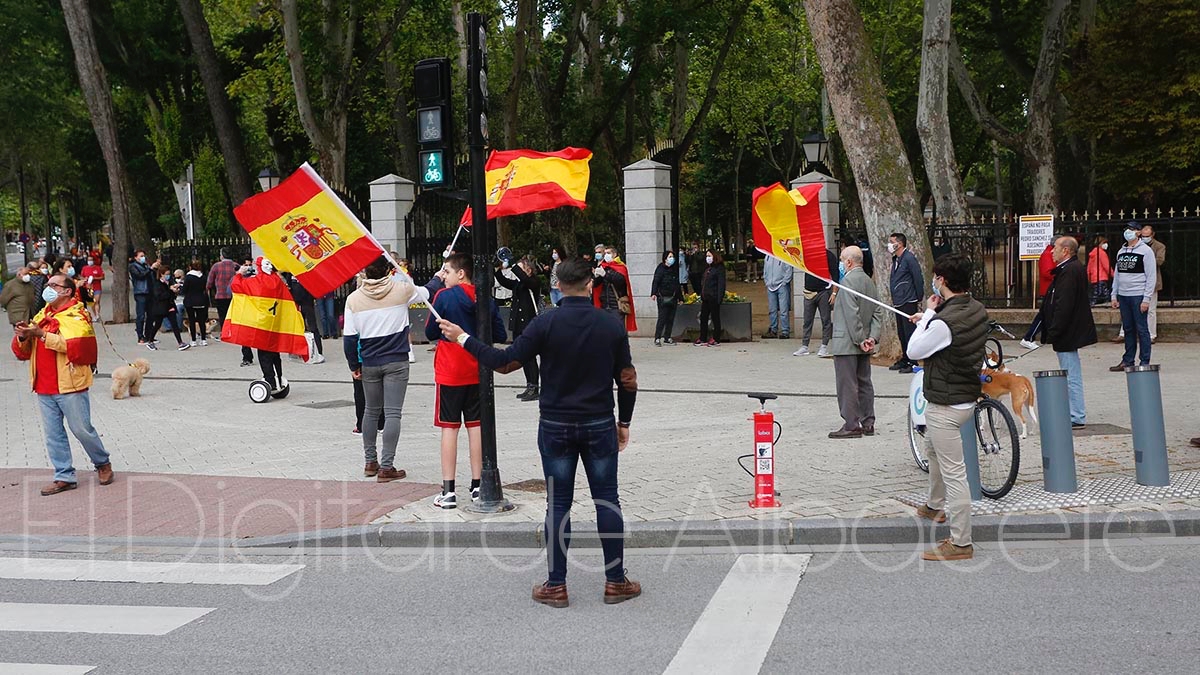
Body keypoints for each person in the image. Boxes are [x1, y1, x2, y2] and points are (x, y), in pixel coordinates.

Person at [436, 257, 640, 608]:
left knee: (558, 504)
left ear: (557, 286)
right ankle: (615, 580)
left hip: (556, 424)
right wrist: (624, 422)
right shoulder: (610, 325)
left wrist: (463, 337)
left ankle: (557, 585)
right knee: (607, 499)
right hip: (599, 422)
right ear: (590, 284)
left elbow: (505, 363)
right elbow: (627, 379)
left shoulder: (545, 323)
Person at [905, 252, 989, 562]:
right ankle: (934, 505)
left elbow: (914, 350)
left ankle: (961, 541)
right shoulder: (976, 309)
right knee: (932, 449)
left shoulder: (943, 322)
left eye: (935, 278)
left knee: (955, 474)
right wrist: (931, 319)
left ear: (941, 281)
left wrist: (927, 315)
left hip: (946, 403)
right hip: (966, 395)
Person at [343, 255, 444, 482]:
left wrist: (353, 365)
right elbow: (429, 290)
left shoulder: (353, 299)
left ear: (365, 273)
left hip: (369, 361)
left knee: (370, 411)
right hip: (396, 361)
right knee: (392, 413)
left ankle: (370, 461)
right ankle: (387, 466)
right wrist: (439, 275)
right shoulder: (402, 290)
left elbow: (349, 339)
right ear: (389, 270)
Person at [12, 273, 113, 496]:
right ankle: (64, 476)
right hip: (44, 384)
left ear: (67, 291)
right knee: (53, 434)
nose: (48, 288)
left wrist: (40, 334)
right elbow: (25, 351)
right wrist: (23, 336)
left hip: (70, 383)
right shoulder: (42, 314)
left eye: (53, 285)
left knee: (82, 429)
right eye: (48, 284)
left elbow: (75, 346)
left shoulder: (78, 315)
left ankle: (102, 462)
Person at [424, 253, 506, 508]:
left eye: (447, 271)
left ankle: (448, 491)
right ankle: (478, 485)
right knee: (475, 427)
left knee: (449, 427)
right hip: (478, 368)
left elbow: (429, 332)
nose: (443, 275)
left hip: (450, 370)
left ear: (461, 273)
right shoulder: (486, 299)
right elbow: (500, 333)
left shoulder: (444, 297)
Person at [1040, 236, 1096, 428]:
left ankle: (1076, 415)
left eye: (1054, 248)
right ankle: (1074, 412)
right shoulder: (1067, 269)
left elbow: (1064, 304)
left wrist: (1054, 330)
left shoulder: (1070, 270)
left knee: (1071, 374)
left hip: (1068, 331)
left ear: (1065, 251)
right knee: (1070, 371)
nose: (1051, 251)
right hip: (1067, 331)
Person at [828, 246, 883, 439]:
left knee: (847, 384)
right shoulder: (869, 282)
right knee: (864, 382)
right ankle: (868, 422)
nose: (841, 263)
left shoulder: (847, 282)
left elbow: (852, 315)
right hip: (864, 340)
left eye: (842, 260)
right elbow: (877, 312)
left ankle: (851, 424)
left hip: (848, 342)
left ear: (849, 262)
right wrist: (872, 337)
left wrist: (860, 340)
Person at [1109, 222, 1156, 371]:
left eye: (1131, 229)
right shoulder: (1121, 251)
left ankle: (1144, 361)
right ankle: (1128, 360)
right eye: (1126, 229)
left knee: (1142, 329)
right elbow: (1117, 274)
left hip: (1138, 295)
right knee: (1128, 329)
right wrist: (1114, 295)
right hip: (1123, 295)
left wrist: (1146, 298)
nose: (1128, 232)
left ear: (1138, 232)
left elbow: (1151, 276)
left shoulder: (1146, 251)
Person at [495, 255, 543, 400]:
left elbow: (525, 280)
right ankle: (529, 385)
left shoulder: (533, 281)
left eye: (521, 268)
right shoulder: (519, 284)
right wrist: (497, 270)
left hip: (528, 323)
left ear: (528, 270)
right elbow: (505, 282)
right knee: (522, 357)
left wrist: (514, 265)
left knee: (530, 357)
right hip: (518, 324)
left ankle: (534, 387)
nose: (517, 271)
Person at [1117, 224, 1166, 343]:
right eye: (1143, 235)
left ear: (1152, 235)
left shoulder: (1158, 246)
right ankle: (1123, 333)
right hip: (1130, 287)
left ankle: (1151, 335)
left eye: (1147, 235)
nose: (1145, 237)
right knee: (1128, 311)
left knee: (1150, 309)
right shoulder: (1125, 249)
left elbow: (1160, 261)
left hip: (1150, 281)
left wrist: (1144, 259)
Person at [887, 232, 923, 373]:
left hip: (908, 300)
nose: (889, 245)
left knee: (909, 332)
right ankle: (905, 357)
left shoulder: (909, 258)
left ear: (899, 243)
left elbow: (917, 278)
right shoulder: (896, 259)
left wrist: (918, 297)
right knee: (901, 332)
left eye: (892, 241)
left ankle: (912, 361)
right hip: (899, 301)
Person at [793, 248, 838, 357]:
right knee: (807, 320)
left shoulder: (828, 255)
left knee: (825, 320)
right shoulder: (808, 254)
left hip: (823, 292)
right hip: (809, 292)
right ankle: (804, 345)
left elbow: (835, 275)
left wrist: (834, 293)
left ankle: (824, 346)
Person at [144, 264, 189, 351]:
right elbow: (159, 296)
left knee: (174, 324)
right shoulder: (157, 284)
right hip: (160, 308)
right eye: (166, 274)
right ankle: (150, 340)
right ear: (161, 274)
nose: (168, 276)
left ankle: (180, 342)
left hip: (170, 305)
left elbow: (172, 294)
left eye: (169, 274)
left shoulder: (170, 282)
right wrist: (170, 291)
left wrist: (175, 290)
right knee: (157, 324)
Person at [593, 246, 637, 333]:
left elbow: (619, 281)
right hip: (605, 304)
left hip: (617, 304)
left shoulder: (621, 267)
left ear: (615, 254)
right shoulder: (604, 266)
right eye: (605, 253)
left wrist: (605, 274)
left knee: (618, 330)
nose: (606, 255)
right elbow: (596, 285)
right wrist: (596, 277)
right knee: (606, 331)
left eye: (608, 253)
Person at [286, 272, 325, 364]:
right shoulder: (289, 274)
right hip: (296, 304)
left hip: (307, 303)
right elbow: (289, 287)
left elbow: (313, 285)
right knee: (298, 328)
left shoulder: (307, 272)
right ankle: (300, 351)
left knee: (313, 327)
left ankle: (318, 351)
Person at [650, 249, 683, 345]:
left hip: (673, 297)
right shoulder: (660, 269)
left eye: (672, 257)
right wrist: (653, 293)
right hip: (662, 297)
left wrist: (680, 298)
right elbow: (656, 281)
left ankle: (667, 337)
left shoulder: (673, 270)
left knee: (670, 318)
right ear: (665, 258)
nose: (672, 259)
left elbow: (677, 284)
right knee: (662, 318)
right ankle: (657, 337)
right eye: (670, 257)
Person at [695, 249, 726, 346]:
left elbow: (721, 284)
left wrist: (719, 298)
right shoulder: (708, 268)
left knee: (715, 318)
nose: (707, 258)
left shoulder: (719, 268)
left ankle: (716, 338)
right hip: (706, 297)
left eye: (709, 256)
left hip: (714, 297)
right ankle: (702, 337)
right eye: (707, 256)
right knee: (703, 318)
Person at [207, 249, 238, 342]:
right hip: (234, 295)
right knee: (233, 314)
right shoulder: (236, 266)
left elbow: (210, 281)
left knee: (222, 314)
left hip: (221, 295)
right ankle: (233, 332)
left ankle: (224, 332)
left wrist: (208, 288)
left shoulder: (216, 266)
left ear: (222, 256)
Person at [762, 255, 792, 339]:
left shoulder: (784, 256)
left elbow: (789, 270)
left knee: (783, 310)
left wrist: (784, 282)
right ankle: (773, 330)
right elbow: (765, 270)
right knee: (772, 310)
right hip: (770, 286)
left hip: (782, 286)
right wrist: (767, 281)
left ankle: (785, 331)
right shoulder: (767, 256)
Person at [181, 260, 209, 346]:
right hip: (201, 300)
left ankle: (193, 340)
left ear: (190, 267)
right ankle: (203, 339)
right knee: (201, 320)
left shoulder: (188, 277)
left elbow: (184, 290)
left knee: (192, 320)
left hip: (190, 301)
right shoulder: (203, 277)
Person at [129, 250, 153, 343]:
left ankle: (148, 335)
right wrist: (150, 269)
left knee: (151, 315)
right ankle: (140, 335)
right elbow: (140, 276)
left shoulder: (146, 266)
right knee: (141, 315)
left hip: (149, 292)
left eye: (144, 255)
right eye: (141, 256)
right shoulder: (133, 266)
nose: (143, 258)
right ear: (136, 257)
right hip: (140, 292)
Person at [1087, 235, 1112, 306]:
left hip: (1094, 277)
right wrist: (1113, 274)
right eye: (1104, 243)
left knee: (1096, 292)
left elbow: (1089, 266)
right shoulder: (1101, 253)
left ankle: (1092, 303)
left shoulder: (1093, 253)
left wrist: (1089, 276)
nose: (1106, 245)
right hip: (1102, 276)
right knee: (1104, 293)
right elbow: (1106, 266)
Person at [80, 255, 105, 319]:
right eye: (88, 260)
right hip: (88, 288)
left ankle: (98, 315)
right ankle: (95, 315)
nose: (90, 261)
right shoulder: (84, 268)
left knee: (97, 301)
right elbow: (81, 276)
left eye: (91, 260)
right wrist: (85, 279)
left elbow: (102, 277)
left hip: (97, 287)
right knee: (92, 303)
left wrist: (95, 278)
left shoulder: (98, 268)